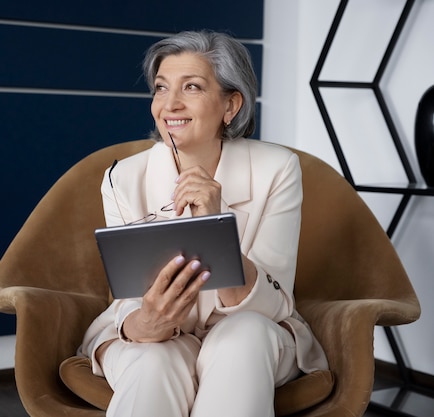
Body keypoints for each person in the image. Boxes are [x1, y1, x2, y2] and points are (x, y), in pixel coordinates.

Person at [79, 30, 328, 417]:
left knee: (242, 338)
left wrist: (216, 223)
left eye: (191, 87)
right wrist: (144, 324)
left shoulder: (276, 169)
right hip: (158, 334)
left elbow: (274, 303)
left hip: (252, 329)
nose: (169, 104)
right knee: (152, 361)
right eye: (161, 89)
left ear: (230, 105)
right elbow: (129, 295)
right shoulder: (122, 178)